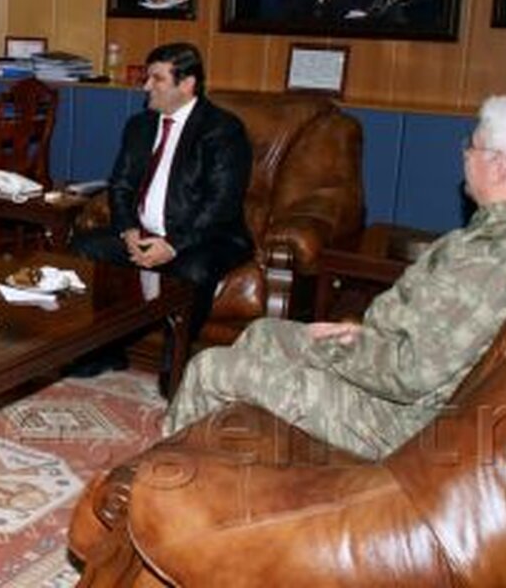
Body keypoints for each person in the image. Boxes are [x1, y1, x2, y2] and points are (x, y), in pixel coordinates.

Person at [165, 95, 506, 460]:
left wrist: (338, 347)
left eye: (472, 146)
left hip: (399, 422)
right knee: (264, 333)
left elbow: (412, 374)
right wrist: (356, 333)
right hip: (388, 374)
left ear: (499, 166)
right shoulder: (481, 237)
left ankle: (163, 475)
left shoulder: (488, 261)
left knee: (210, 369)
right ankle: (235, 461)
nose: (465, 154)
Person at [69, 43, 253, 373]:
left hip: (204, 238)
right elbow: (120, 185)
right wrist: (127, 230)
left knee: (193, 271)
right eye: (147, 78)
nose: (146, 87)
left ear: (187, 84)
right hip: (142, 232)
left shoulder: (223, 130)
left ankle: (174, 361)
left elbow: (220, 204)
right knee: (85, 246)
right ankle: (105, 348)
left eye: (157, 79)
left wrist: (171, 244)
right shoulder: (140, 126)